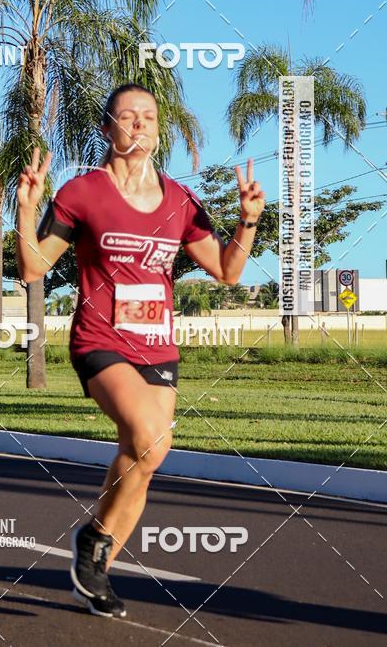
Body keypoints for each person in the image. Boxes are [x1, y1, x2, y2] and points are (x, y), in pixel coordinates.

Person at [16, 83, 265, 619]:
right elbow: (35, 267)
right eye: (127, 117)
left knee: (144, 458)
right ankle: (95, 543)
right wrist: (27, 208)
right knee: (152, 442)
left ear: (158, 130)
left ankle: (96, 554)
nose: (139, 126)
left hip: (159, 349)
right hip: (100, 341)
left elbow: (227, 271)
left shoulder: (179, 201)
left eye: (148, 118)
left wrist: (247, 220)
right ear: (107, 129)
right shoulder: (83, 193)